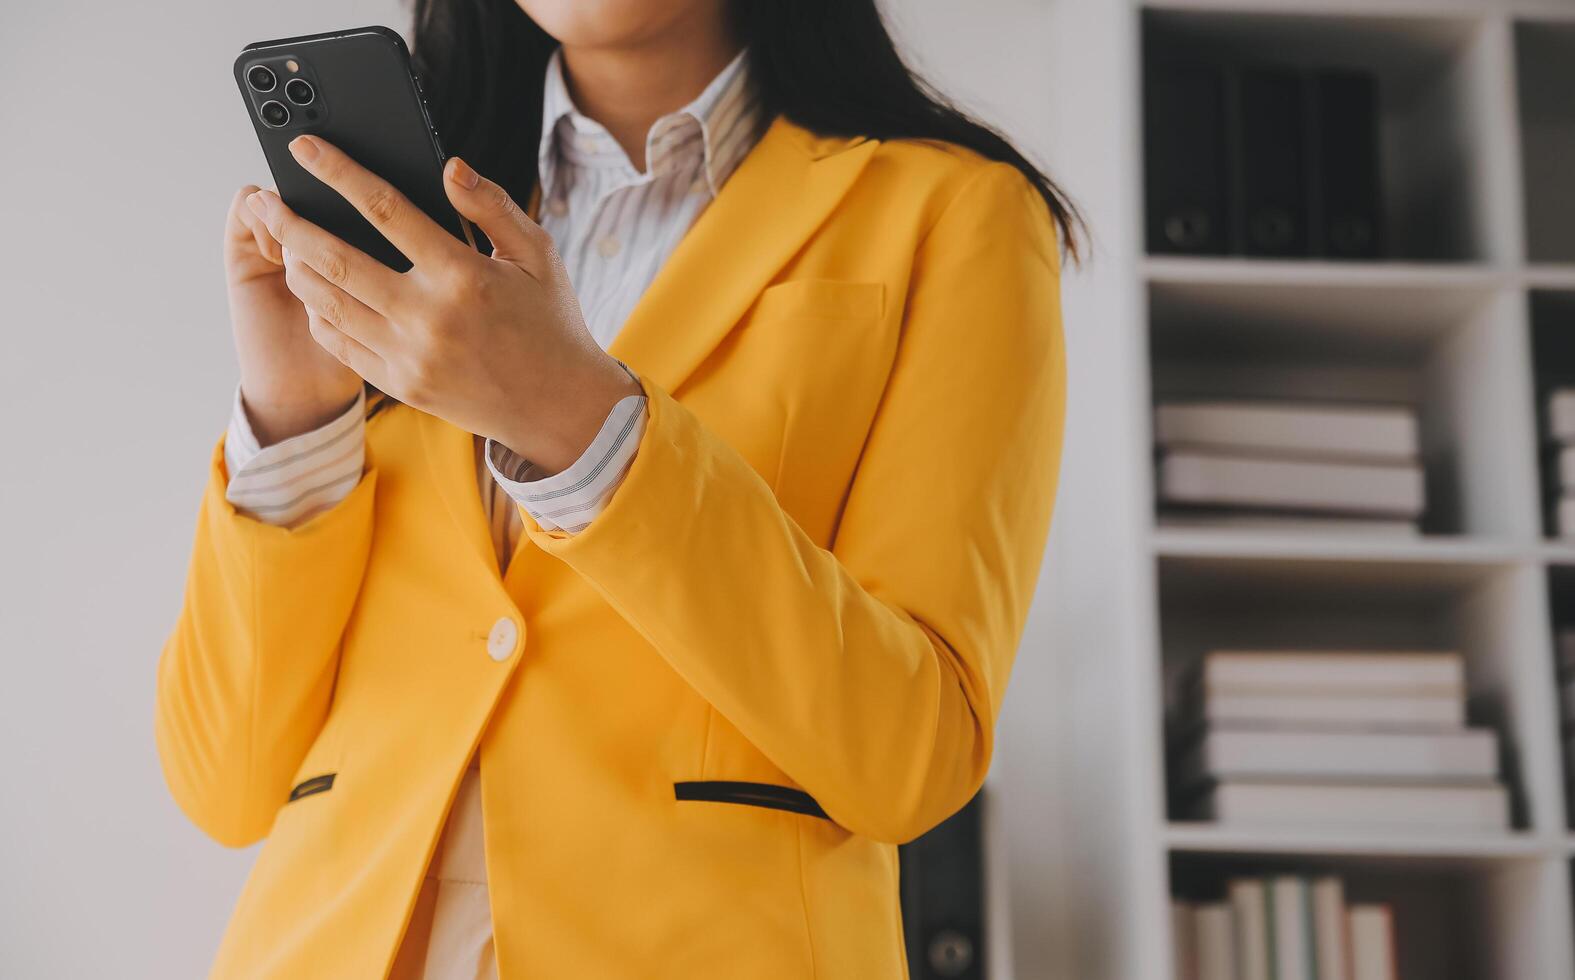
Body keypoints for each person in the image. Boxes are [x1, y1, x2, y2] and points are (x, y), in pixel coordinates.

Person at [155, 0, 1074, 975]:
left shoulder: (953, 212)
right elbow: (226, 783)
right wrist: (294, 420)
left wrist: (580, 421)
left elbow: (911, 759)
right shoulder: (411, 222)